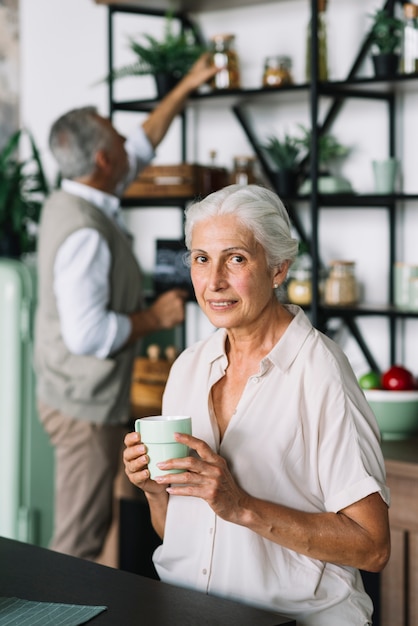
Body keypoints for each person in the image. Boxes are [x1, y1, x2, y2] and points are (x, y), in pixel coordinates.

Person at [123, 184, 391, 626]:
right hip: (194, 614)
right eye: (201, 258)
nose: (214, 282)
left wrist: (241, 505)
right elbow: (189, 537)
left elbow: (373, 545)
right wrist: (155, 492)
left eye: (237, 258)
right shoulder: (189, 367)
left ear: (278, 268)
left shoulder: (321, 372)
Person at [34, 55, 218, 561]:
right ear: (101, 162)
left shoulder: (72, 199)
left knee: (115, 520)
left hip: (83, 398)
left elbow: (141, 144)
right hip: (83, 407)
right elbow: (88, 335)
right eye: (115, 135)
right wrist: (156, 318)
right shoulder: (86, 234)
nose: (124, 140)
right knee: (79, 539)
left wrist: (185, 86)